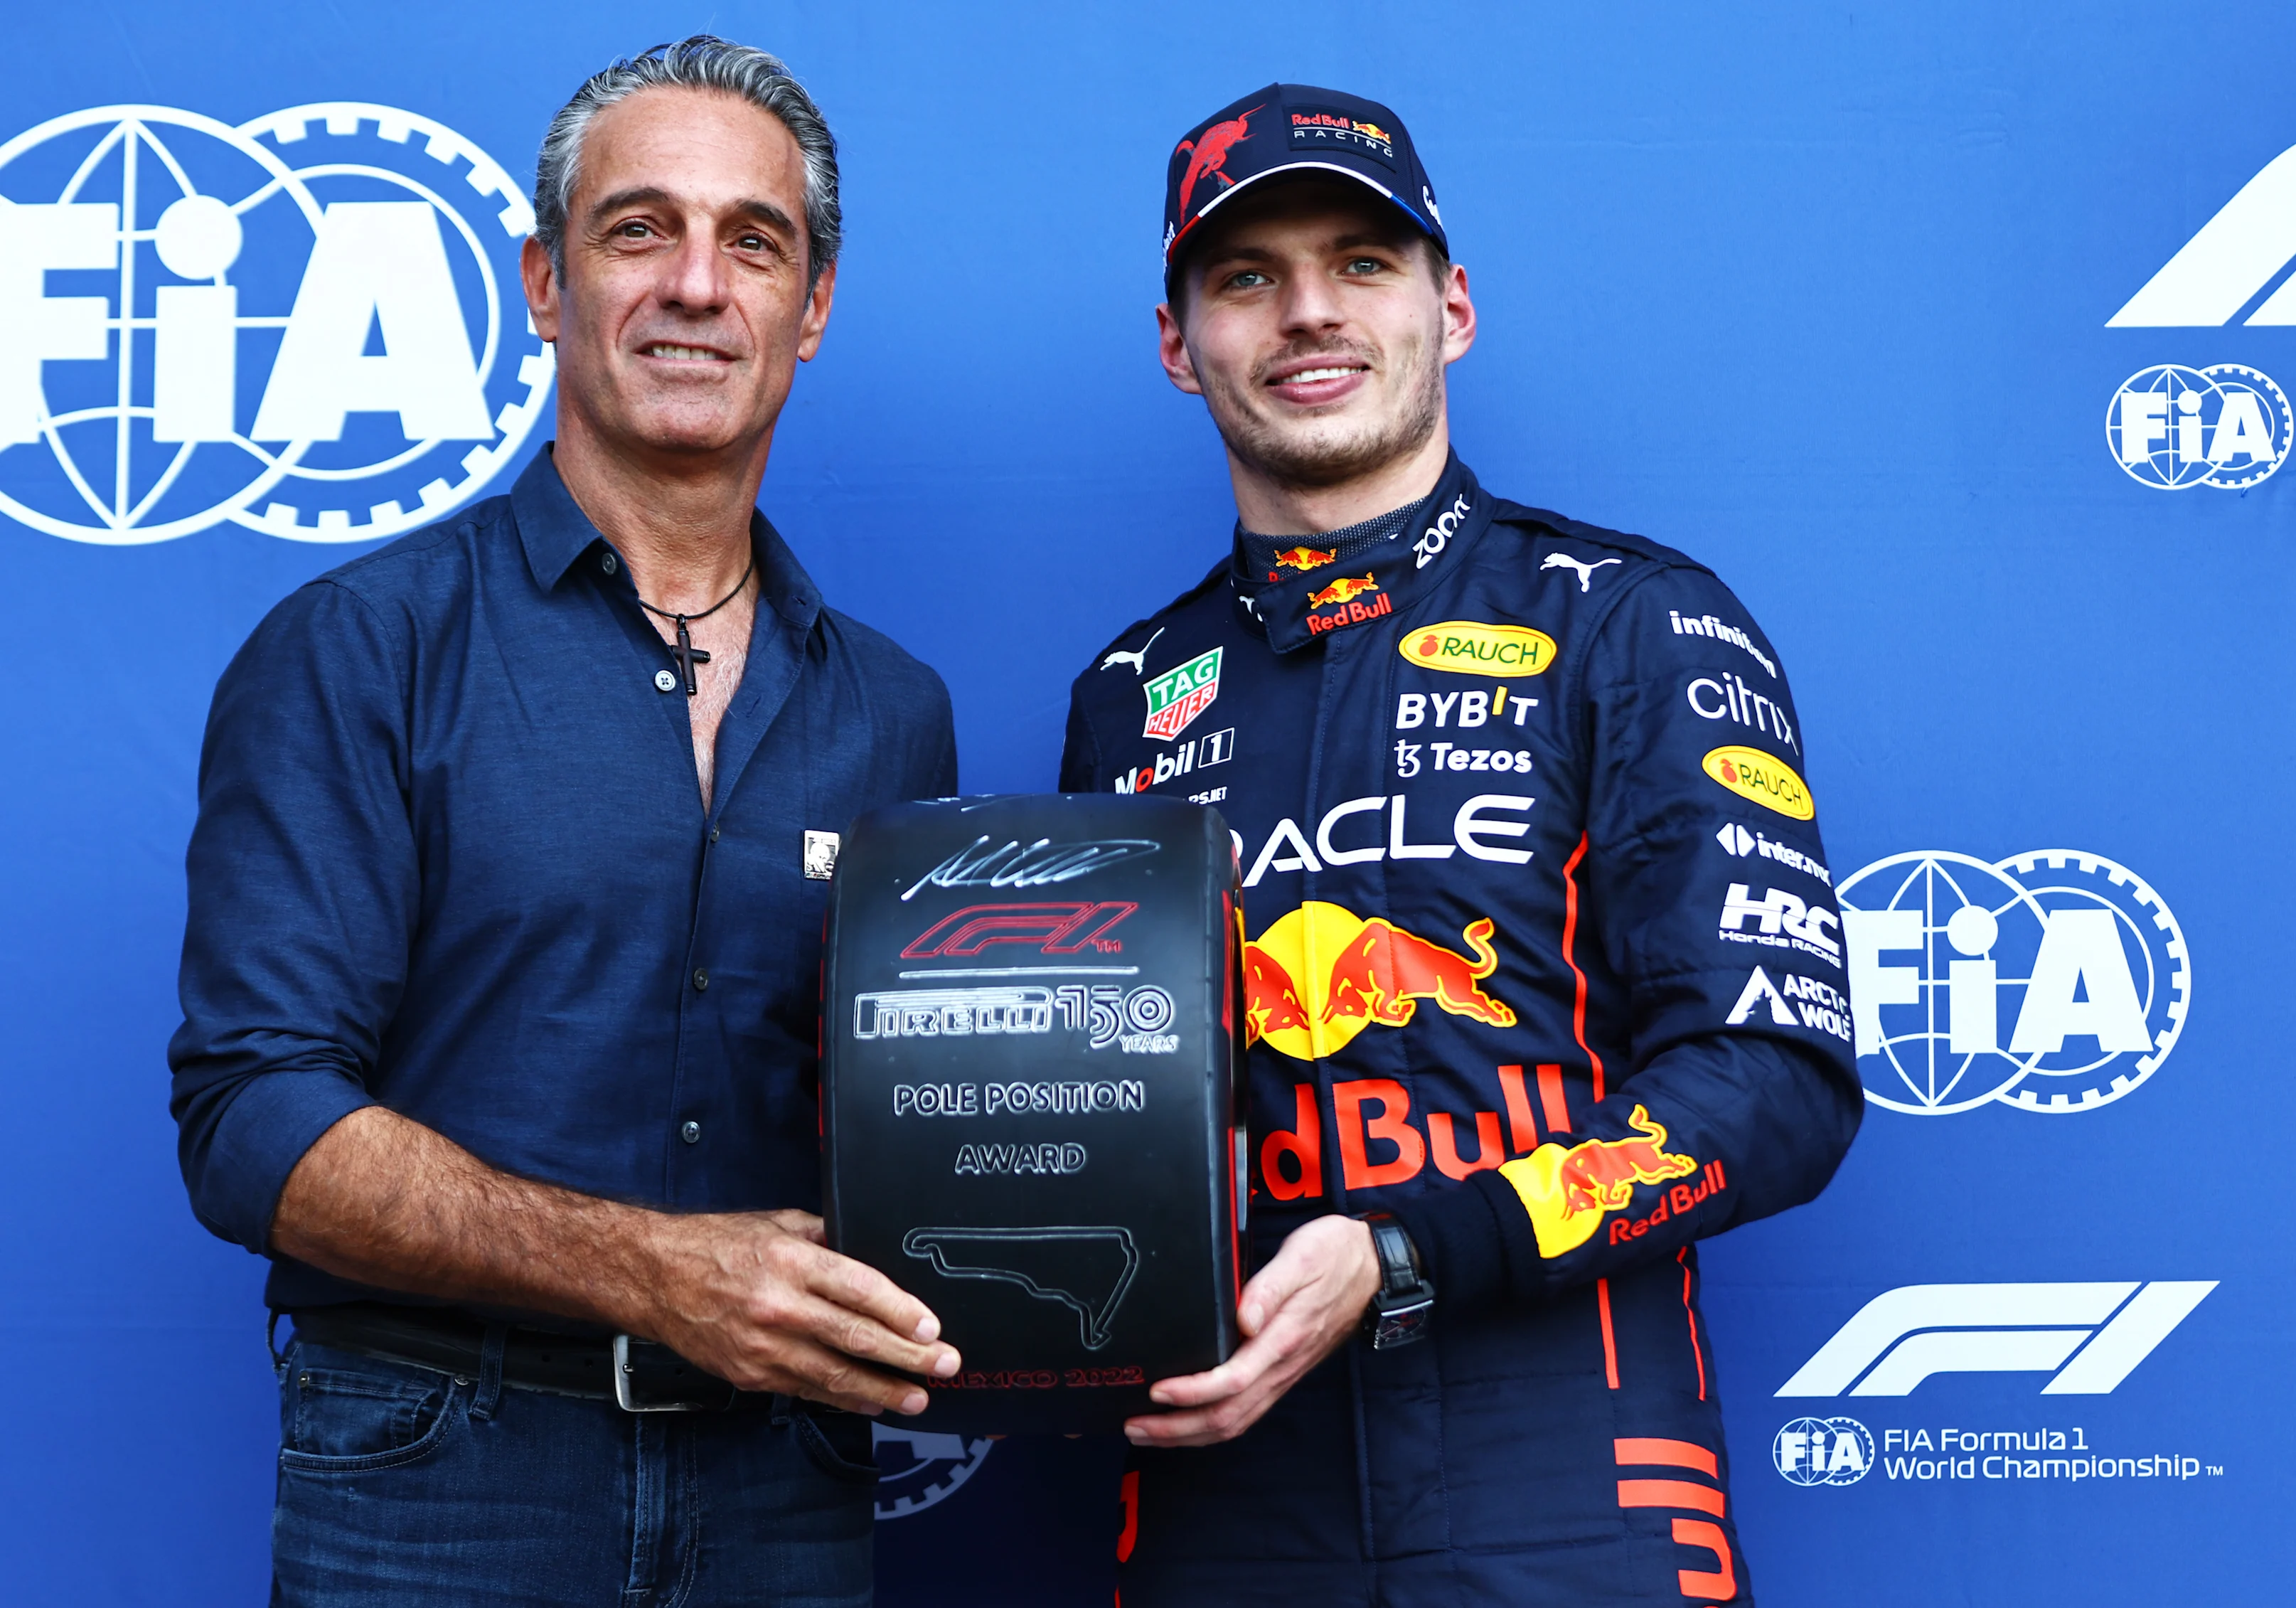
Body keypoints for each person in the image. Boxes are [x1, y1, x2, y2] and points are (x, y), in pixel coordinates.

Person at [169, 36, 959, 1607]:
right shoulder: (362, 645)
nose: (695, 285)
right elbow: (250, 1121)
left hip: (785, 1481)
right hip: (437, 1468)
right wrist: (658, 1271)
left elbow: (929, 1113)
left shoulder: (892, 709)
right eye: (636, 229)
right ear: (544, 282)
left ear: (808, 309)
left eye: (753, 241)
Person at [1059, 84, 1863, 1606]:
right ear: (1180, 344)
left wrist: (1412, 1246)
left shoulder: (1626, 618)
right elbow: (1109, 1106)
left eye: (1362, 261)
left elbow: (1777, 1083)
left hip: (1570, 1457)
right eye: (1245, 277)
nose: (1309, 313)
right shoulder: (1126, 700)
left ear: (1453, 304)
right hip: (1229, 1465)